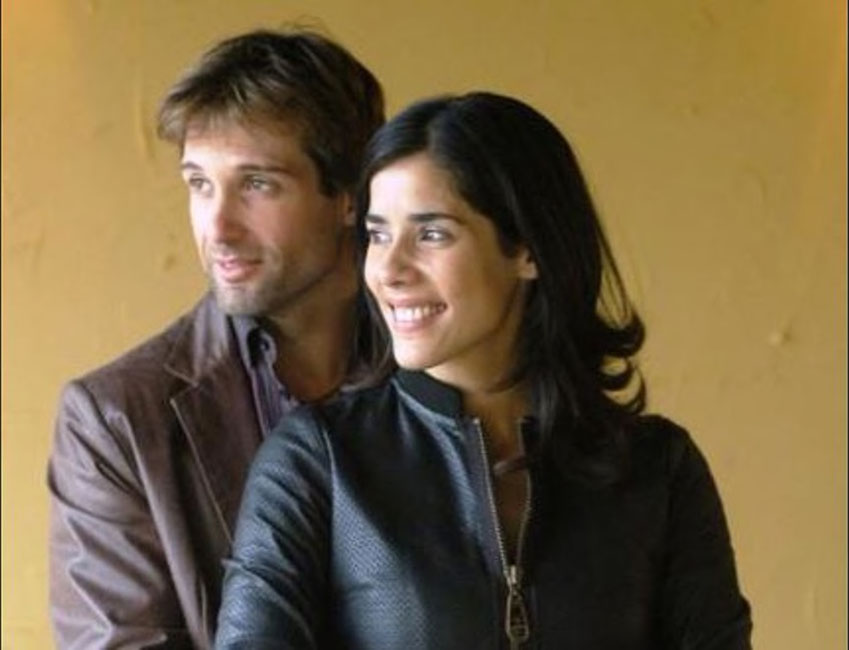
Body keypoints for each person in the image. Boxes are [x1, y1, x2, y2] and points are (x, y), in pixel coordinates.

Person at [215, 91, 753, 649]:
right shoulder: (317, 461)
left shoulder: (659, 470)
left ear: (527, 249)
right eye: (377, 235)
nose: (389, 270)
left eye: (432, 234)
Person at [47, 28, 384, 649]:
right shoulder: (115, 421)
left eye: (257, 184)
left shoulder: (449, 368)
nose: (218, 228)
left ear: (349, 196)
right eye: (199, 183)